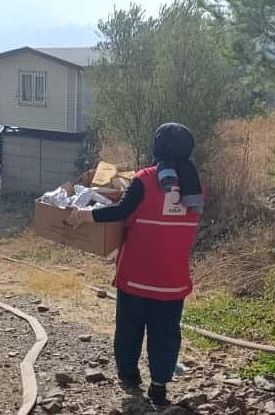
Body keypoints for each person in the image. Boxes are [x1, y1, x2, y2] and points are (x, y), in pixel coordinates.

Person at [67, 123, 205, 406]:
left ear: (158, 146)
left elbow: (121, 211)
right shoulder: (195, 185)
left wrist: (84, 214)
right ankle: (159, 385)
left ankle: (129, 377)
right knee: (166, 333)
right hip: (173, 280)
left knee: (129, 329)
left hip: (137, 276)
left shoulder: (146, 179)